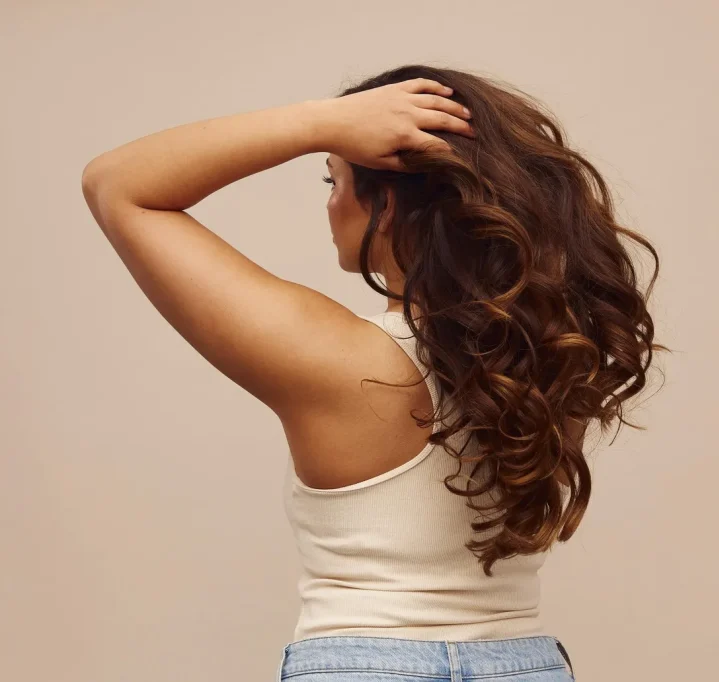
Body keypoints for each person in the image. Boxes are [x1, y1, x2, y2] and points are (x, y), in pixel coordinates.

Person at [82, 64, 662, 681]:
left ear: (386, 207)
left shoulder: (343, 362)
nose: (330, 205)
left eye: (334, 180)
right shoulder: (551, 359)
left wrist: (319, 122)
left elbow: (116, 185)